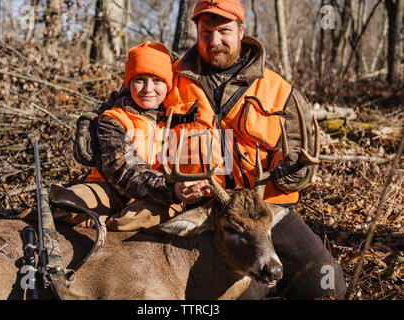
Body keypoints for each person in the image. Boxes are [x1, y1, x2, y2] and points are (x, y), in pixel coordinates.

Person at [72, 0, 347, 300]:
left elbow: (301, 163)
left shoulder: (279, 92)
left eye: (224, 31)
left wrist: (286, 174)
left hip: (266, 209)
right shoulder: (171, 80)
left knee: (328, 286)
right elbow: (127, 101)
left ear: (241, 30)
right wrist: (91, 123)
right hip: (202, 209)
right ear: (196, 31)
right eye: (206, 32)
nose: (215, 41)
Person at [48, 41, 185, 231]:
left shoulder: (177, 121)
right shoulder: (113, 119)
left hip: (157, 196)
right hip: (110, 189)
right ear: (128, 83)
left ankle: (107, 228)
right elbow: (122, 168)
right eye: (139, 79)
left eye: (157, 80)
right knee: (65, 203)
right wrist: (170, 189)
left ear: (168, 84)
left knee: (141, 217)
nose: (148, 88)